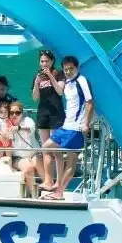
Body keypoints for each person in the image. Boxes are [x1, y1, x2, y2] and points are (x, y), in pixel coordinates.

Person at [42, 55, 93, 200]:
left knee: (71, 162)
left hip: (76, 129)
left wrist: (86, 123)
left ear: (77, 68)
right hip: (65, 127)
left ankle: (59, 192)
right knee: (46, 147)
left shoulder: (82, 81)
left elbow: (90, 103)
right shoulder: (67, 81)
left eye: (71, 69)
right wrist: (51, 76)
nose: (68, 71)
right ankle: (55, 183)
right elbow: (58, 91)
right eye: (66, 69)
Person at [31, 50, 65, 192]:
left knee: (56, 149)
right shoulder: (37, 76)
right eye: (42, 61)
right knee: (45, 148)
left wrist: (51, 76)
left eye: (47, 61)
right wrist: (37, 83)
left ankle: (60, 181)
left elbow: (60, 91)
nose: (44, 64)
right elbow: (34, 98)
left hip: (56, 114)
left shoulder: (59, 73)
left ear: (52, 62)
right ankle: (48, 180)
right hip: (43, 113)